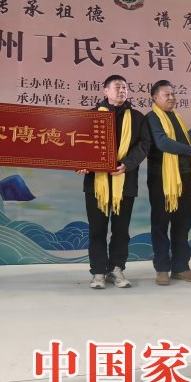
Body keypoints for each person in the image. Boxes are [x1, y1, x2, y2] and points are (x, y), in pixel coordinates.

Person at [78, 75, 151, 289]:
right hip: (96, 182)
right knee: (97, 229)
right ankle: (98, 271)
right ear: (105, 91)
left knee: (121, 229)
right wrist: (80, 163)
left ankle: (117, 268)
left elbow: (144, 144)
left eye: (125, 87)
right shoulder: (91, 116)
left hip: (124, 180)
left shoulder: (137, 117)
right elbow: (80, 144)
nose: (122, 90)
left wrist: (127, 163)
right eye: (117, 87)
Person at [145, 80, 191, 286]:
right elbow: (162, 142)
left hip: (185, 177)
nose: (171, 98)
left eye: (173, 94)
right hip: (162, 180)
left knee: (182, 225)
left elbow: (187, 143)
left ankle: (181, 267)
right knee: (160, 225)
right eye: (166, 94)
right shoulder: (151, 118)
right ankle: (162, 268)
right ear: (155, 98)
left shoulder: (177, 118)